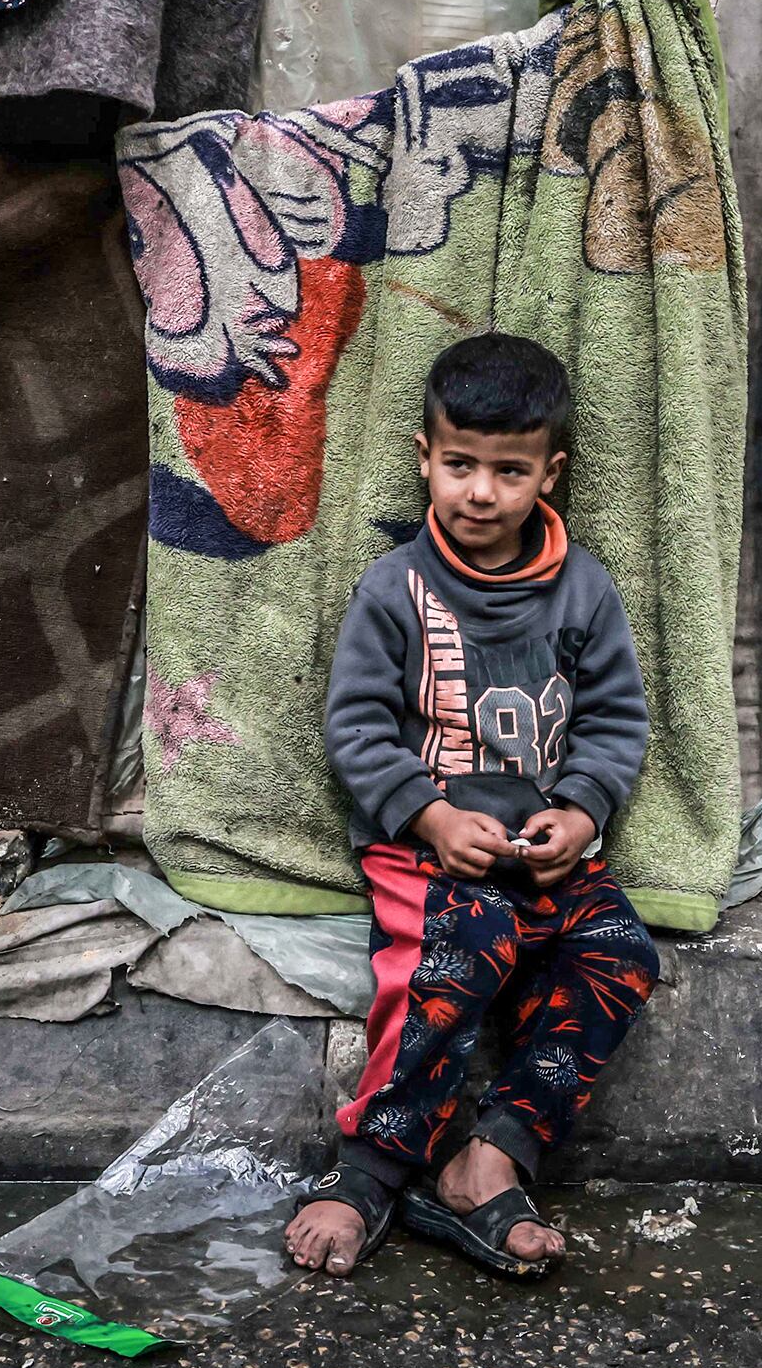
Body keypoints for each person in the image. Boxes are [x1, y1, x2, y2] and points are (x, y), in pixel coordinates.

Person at [283, 333, 662, 1282]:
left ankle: (491, 1156)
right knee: (469, 943)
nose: (480, 493)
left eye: (508, 471)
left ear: (550, 474)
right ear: (426, 459)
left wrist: (578, 814)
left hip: (548, 856)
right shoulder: (395, 588)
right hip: (427, 855)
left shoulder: (583, 591)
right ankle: (371, 1166)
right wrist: (429, 816)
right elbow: (357, 730)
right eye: (459, 465)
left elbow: (617, 723)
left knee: (620, 952)